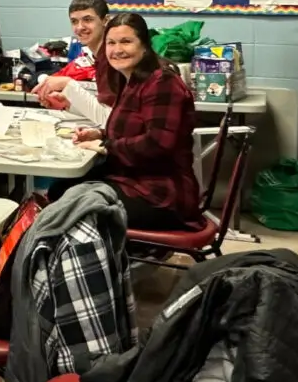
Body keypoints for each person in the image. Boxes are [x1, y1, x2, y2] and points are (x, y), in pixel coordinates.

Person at [67, 13, 200, 230]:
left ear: (145, 46)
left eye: (126, 41)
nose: (117, 50)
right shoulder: (131, 79)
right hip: (131, 180)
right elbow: (133, 128)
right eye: (111, 43)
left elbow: (157, 143)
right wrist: (100, 134)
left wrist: (104, 146)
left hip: (160, 195)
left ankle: (101, 260)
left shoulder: (162, 81)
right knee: (61, 190)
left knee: (75, 209)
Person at [34, 0, 113, 112]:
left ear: (105, 20)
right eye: (74, 21)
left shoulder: (114, 57)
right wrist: (67, 105)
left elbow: (113, 116)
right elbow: (103, 111)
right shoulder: (95, 57)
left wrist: (68, 83)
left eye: (88, 19)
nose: (80, 27)